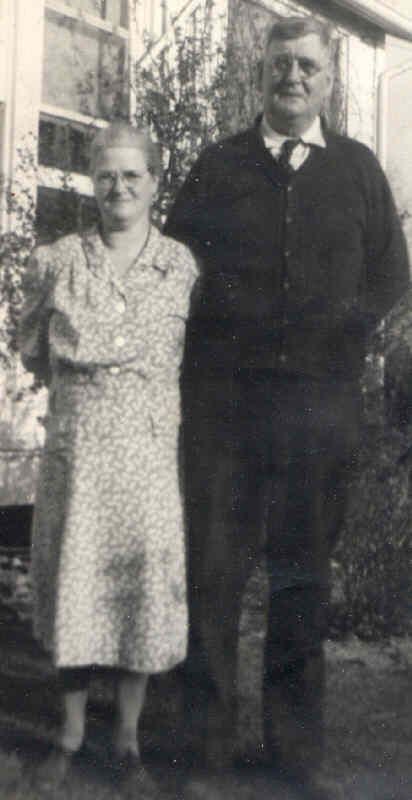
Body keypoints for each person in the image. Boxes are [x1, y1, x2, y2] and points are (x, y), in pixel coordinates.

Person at [165, 15, 410, 800]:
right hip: (224, 415)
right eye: (280, 64)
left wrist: (345, 330)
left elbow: (392, 275)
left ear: (328, 79)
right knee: (215, 577)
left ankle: (293, 759)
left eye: (307, 65)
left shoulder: (359, 172)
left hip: (318, 415)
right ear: (260, 72)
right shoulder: (218, 167)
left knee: (303, 583)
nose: (293, 77)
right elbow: (175, 272)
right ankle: (203, 754)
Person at [19, 121, 197, 794]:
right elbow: (32, 349)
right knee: (76, 589)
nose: (119, 187)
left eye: (132, 175)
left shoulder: (180, 266)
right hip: (81, 457)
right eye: (106, 176)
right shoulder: (57, 261)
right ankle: (68, 737)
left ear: (154, 182)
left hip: (147, 460)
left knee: (139, 595)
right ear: (92, 184)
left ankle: (126, 742)